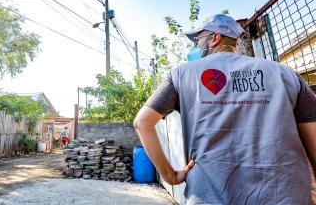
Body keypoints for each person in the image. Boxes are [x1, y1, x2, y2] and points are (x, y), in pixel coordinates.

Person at [134, 14, 316, 204]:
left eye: (198, 39)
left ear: (215, 38)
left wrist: (171, 176)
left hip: (209, 197)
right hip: (285, 197)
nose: (195, 46)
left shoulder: (181, 75)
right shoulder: (285, 74)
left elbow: (142, 123)